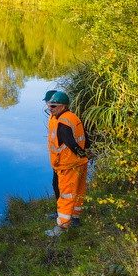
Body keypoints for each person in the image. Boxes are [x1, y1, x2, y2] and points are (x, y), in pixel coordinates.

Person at [43, 89, 88, 237]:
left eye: (53, 106)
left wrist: (79, 153)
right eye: (49, 105)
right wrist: (84, 155)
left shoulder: (63, 123)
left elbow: (71, 143)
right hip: (79, 163)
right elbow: (85, 138)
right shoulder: (71, 117)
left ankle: (62, 227)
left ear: (63, 106)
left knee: (66, 195)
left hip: (68, 165)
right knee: (78, 192)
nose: (50, 108)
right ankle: (75, 218)